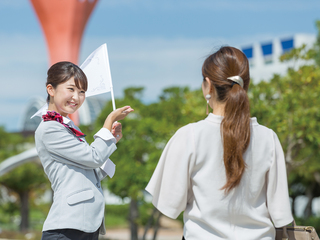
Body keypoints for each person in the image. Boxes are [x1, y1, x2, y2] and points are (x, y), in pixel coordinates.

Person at [145, 46, 293, 240]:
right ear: (245, 85)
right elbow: (280, 212)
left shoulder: (189, 136)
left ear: (208, 85)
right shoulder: (268, 138)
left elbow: (170, 204)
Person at [34, 61, 134, 240]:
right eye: (71, 89)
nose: (77, 97)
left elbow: (91, 169)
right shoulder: (50, 129)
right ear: (51, 89)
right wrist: (109, 120)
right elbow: (93, 157)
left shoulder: (67, 127)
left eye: (82, 92)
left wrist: (112, 139)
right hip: (66, 227)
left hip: (84, 225)